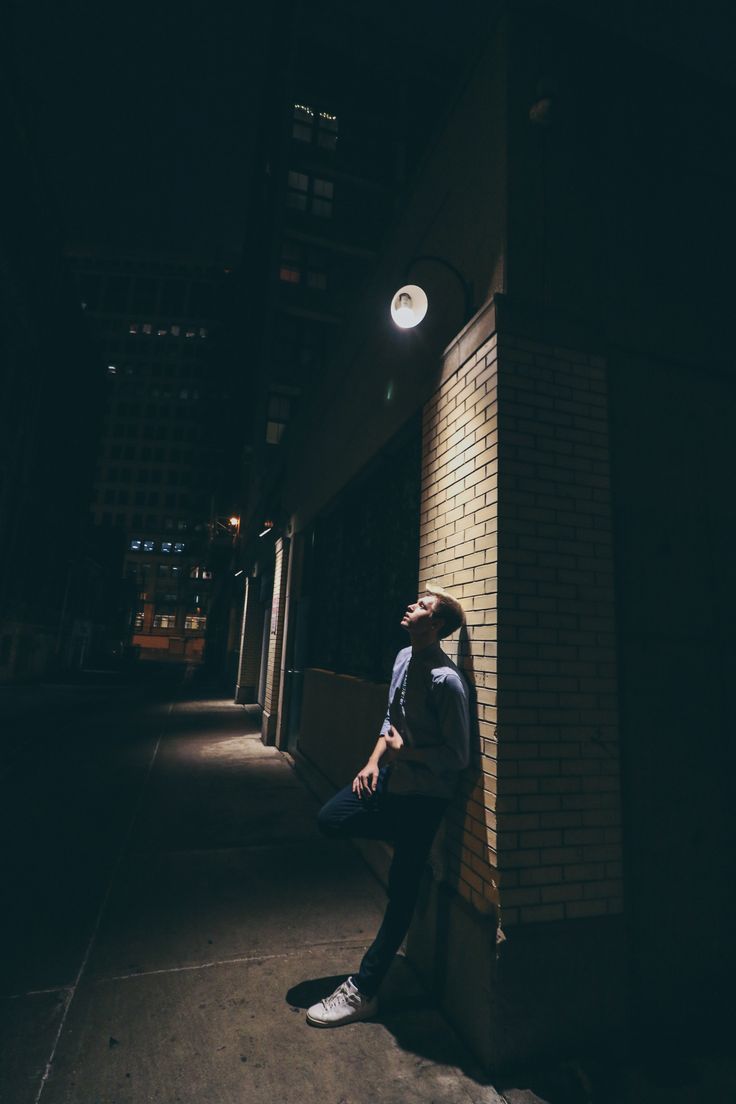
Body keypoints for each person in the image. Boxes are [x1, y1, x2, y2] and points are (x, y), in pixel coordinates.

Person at [307, 583, 470, 1027]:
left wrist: (406, 754)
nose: (411, 606)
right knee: (331, 818)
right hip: (393, 783)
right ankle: (410, 846)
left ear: (435, 624)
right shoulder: (402, 657)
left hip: (425, 797)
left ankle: (365, 990)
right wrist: (374, 762)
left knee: (401, 896)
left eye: (422, 606)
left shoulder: (447, 681)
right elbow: (390, 722)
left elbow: (458, 757)